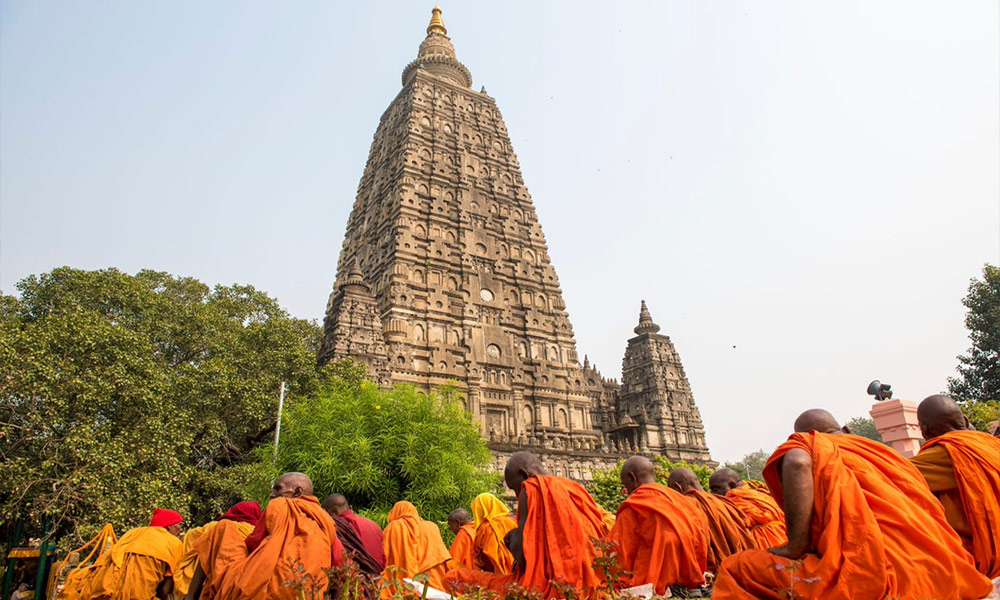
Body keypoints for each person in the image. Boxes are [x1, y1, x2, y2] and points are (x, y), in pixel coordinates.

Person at [713, 409, 992, 600]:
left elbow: (797, 462)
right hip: (944, 567)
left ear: (809, 437)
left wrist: (795, 546)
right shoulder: (885, 454)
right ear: (845, 429)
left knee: (737, 568)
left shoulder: (810, 447)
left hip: (868, 574)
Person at [447, 452, 608, 598]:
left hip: (547, 585)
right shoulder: (576, 488)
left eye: (515, 488)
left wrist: (510, 540)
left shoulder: (532, 488)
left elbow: (523, 556)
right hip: (593, 583)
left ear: (524, 475)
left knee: (455, 578)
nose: (517, 494)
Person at [213, 473, 345, 600]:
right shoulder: (326, 519)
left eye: (278, 489)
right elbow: (340, 561)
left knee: (224, 530)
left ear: (297, 492)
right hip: (308, 594)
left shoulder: (280, 505)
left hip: (270, 591)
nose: (272, 495)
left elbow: (253, 542)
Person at [910, 394, 1000, 578]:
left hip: (987, 563)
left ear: (925, 431)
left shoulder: (944, 455)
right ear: (965, 421)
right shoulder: (993, 444)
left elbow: (893, 473)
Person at [607, 457, 708, 595]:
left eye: (626, 485)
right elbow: (700, 538)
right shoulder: (681, 500)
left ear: (632, 477)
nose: (628, 491)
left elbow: (620, 551)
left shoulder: (635, 506)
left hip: (654, 586)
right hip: (691, 580)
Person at [82, 508, 184, 600]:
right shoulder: (173, 543)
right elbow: (166, 587)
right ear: (170, 526)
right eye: (179, 524)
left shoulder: (133, 533)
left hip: (107, 592)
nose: (180, 529)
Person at [667, 468, 754, 574]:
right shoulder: (726, 502)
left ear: (678, 487)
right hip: (744, 566)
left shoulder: (687, 506)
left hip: (717, 573)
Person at [180, 502, 261, 600]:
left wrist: (190, 595)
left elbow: (203, 561)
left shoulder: (223, 527)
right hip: (246, 592)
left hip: (217, 589)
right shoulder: (259, 535)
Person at [381, 501, 451, 594]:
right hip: (432, 579)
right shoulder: (431, 527)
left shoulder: (393, 528)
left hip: (402, 581)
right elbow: (441, 555)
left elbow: (384, 556)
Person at [709, 467, 787, 549]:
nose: (712, 494)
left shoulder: (731, 502)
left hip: (762, 547)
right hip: (788, 540)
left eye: (715, 489)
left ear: (732, 485)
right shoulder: (762, 494)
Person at [320, 497, 382, 576]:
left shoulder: (331, 528)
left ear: (326, 513)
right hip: (378, 583)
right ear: (350, 508)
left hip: (349, 583)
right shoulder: (374, 526)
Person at [469, 493, 516, 574]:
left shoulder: (486, 528)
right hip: (518, 570)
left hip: (496, 575)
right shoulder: (513, 520)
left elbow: (483, 558)